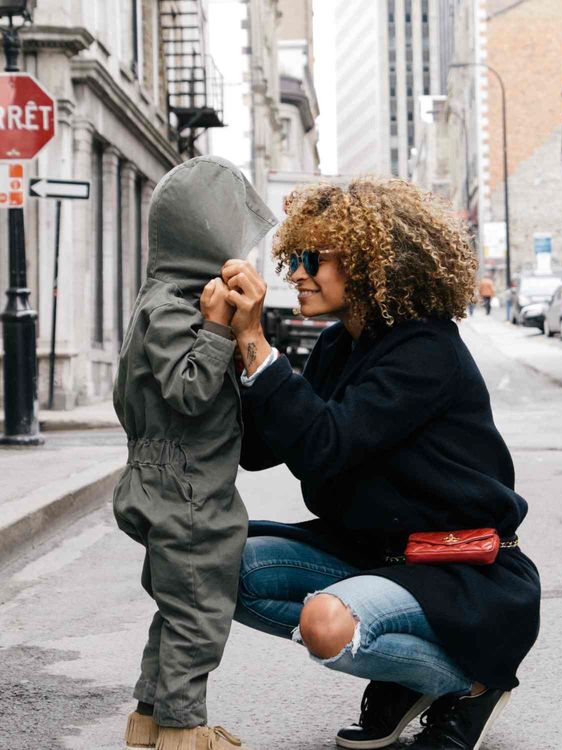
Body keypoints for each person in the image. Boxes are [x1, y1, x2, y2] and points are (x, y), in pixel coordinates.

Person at [221, 178, 541, 750]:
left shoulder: (426, 350)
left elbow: (326, 444)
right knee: (218, 567)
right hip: (371, 555)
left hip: (459, 571)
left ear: (370, 260)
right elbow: (262, 449)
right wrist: (229, 344)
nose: (294, 273)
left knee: (326, 625)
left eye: (310, 258)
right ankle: (403, 678)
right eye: (292, 257)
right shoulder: (338, 346)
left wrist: (257, 342)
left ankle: (469, 685)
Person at [112, 156, 276, 750]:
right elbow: (188, 389)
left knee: (175, 609)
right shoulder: (179, 307)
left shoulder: (163, 298)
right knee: (199, 618)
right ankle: (184, 731)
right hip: (187, 492)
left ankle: (151, 720)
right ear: (204, 235)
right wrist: (216, 330)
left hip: (168, 482)